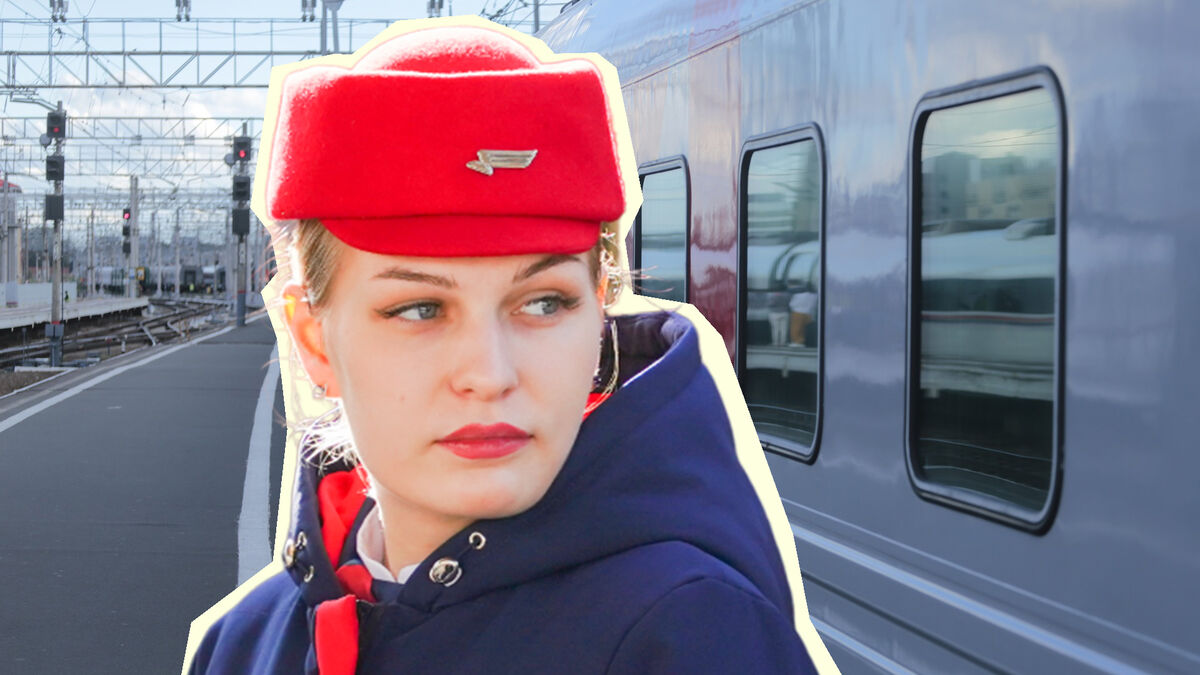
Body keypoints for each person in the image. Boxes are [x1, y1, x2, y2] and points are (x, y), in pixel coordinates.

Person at [187, 19, 823, 675]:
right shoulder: (242, 645)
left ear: (598, 315)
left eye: (543, 303)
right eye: (420, 309)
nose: (490, 374)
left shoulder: (693, 636)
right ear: (314, 340)